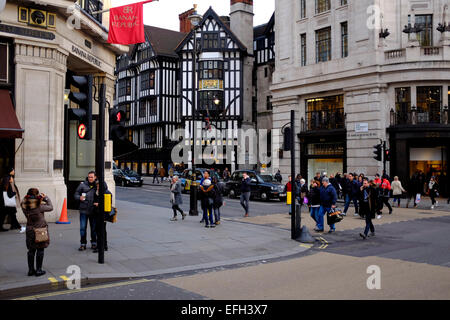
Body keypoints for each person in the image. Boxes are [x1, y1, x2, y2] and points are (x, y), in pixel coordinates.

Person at [21, 188, 53, 276]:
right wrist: (45, 198)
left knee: (31, 250)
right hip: (40, 230)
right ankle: (39, 270)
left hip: (30, 229)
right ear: (36, 196)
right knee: (40, 249)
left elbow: (27, 200)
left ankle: (31, 270)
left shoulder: (23, 204)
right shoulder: (39, 206)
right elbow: (50, 207)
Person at [74, 171, 107, 251]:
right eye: (89, 177)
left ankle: (94, 243)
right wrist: (79, 198)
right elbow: (76, 194)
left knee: (94, 228)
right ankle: (83, 244)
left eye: (92, 177)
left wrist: (101, 181)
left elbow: (105, 191)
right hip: (83, 210)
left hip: (93, 211)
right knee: (82, 228)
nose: (90, 178)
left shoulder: (98, 184)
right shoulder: (82, 185)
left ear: (95, 177)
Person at [92, 181, 113, 253]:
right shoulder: (97, 192)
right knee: (99, 230)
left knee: (101, 230)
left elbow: (107, 205)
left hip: (103, 215)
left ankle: (102, 246)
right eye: (97, 186)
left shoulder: (107, 193)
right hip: (98, 214)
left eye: (98, 186)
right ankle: (102, 245)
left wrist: (99, 204)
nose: (97, 187)